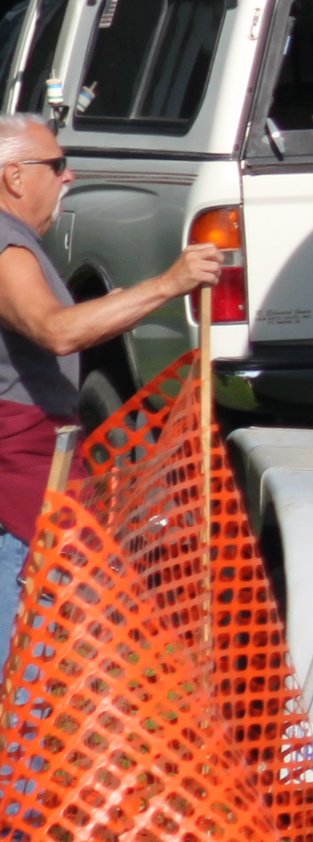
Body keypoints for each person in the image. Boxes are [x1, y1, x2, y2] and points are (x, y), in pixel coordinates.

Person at [0, 116, 225, 633]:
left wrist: (122, 305)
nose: (69, 175)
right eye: (57, 164)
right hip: (21, 470)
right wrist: (169, 283)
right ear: (15, 177)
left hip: (39, 461)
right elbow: (55, 331)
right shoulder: (7, 245)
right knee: (45, 640)